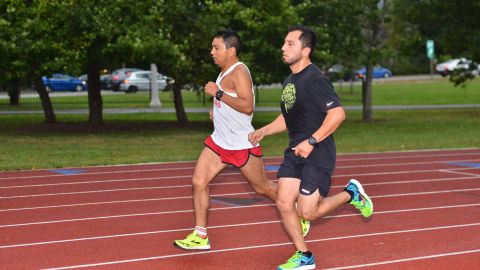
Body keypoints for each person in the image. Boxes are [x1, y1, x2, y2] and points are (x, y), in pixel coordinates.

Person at [248, 25, 374, 270]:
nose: (283, 48)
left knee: (308, 213)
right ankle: (304, 256)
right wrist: (264, 130)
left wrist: (312, 141)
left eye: (290, 44)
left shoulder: (315, 79)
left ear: (306, 50)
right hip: (295, 150)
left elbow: (337, 114)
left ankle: (351, 193)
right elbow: (288, 117)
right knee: (284, 203)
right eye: (284, 43)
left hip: (318, 152)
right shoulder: (289, 80)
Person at [173, 29, 310, 251]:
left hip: (241, 145)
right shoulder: (223, 72)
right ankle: (200, 235)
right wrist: (217, 110)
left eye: (216, 48)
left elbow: (247, 107)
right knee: (198, 182)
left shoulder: (240, 72)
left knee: (263, 188)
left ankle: (300, 211)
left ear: (231, 50)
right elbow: (232, 102)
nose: (212, 52)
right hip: (219, 143)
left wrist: (218, 94)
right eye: (212, 48)